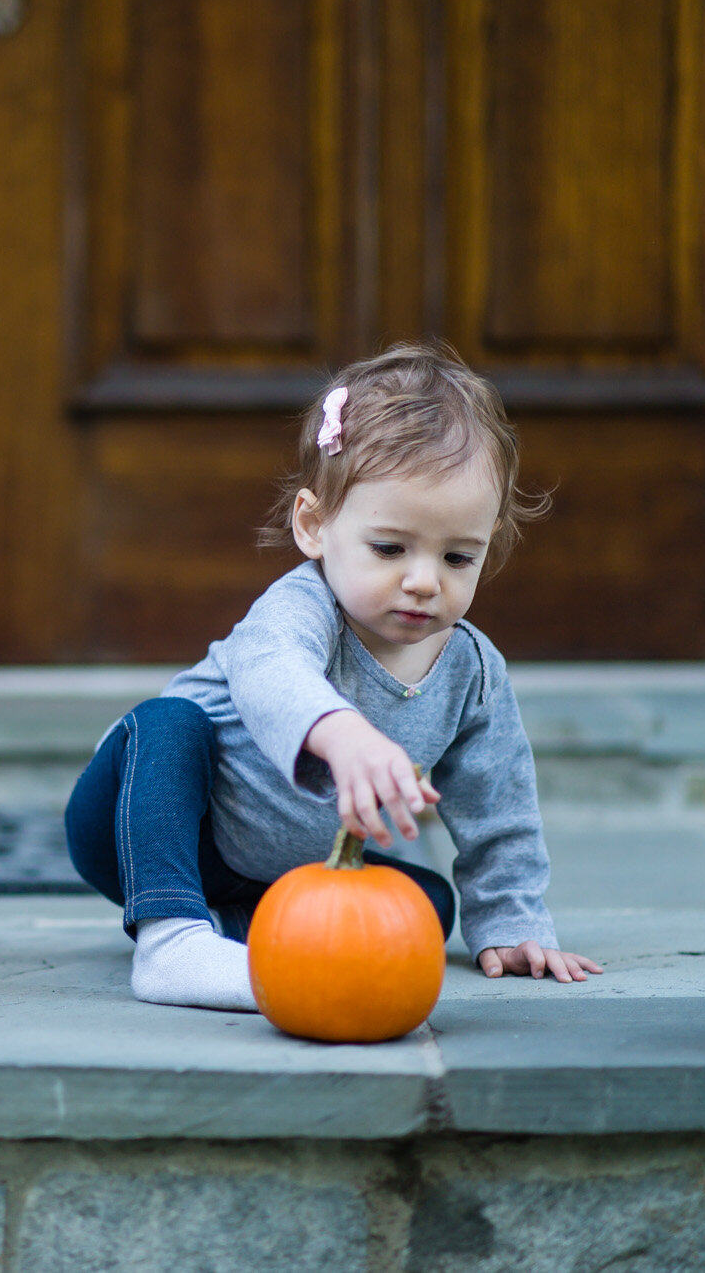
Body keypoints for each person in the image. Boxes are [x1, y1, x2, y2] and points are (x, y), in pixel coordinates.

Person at [64, 341, 603, 1011]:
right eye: (390, 547)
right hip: (148, 822)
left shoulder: (472, 670)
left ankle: (243, 941)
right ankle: (171, 941)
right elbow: (271, 674)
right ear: (314, 525)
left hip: (270, 873)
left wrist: (512, 919)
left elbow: (500, 804)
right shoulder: (302, 609)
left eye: (459, 556)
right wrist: (341, 733)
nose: (423, 580)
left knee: (422, 905)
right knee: (165, 722)